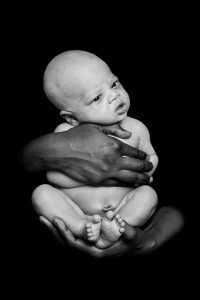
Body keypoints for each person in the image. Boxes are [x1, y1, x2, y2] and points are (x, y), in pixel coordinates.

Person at [31, 50, 159, 249]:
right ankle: (81, 226)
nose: (114, 95)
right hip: (77, 209)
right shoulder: (65, 133)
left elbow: (150, 157)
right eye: (97, 97)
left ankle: (119, 227)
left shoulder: (136, 128)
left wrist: (147, 169)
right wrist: (92, 177)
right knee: (41, 193)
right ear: (71, 118)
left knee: (148, 195)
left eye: (114, 84)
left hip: (121, 206)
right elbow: (54, 177)